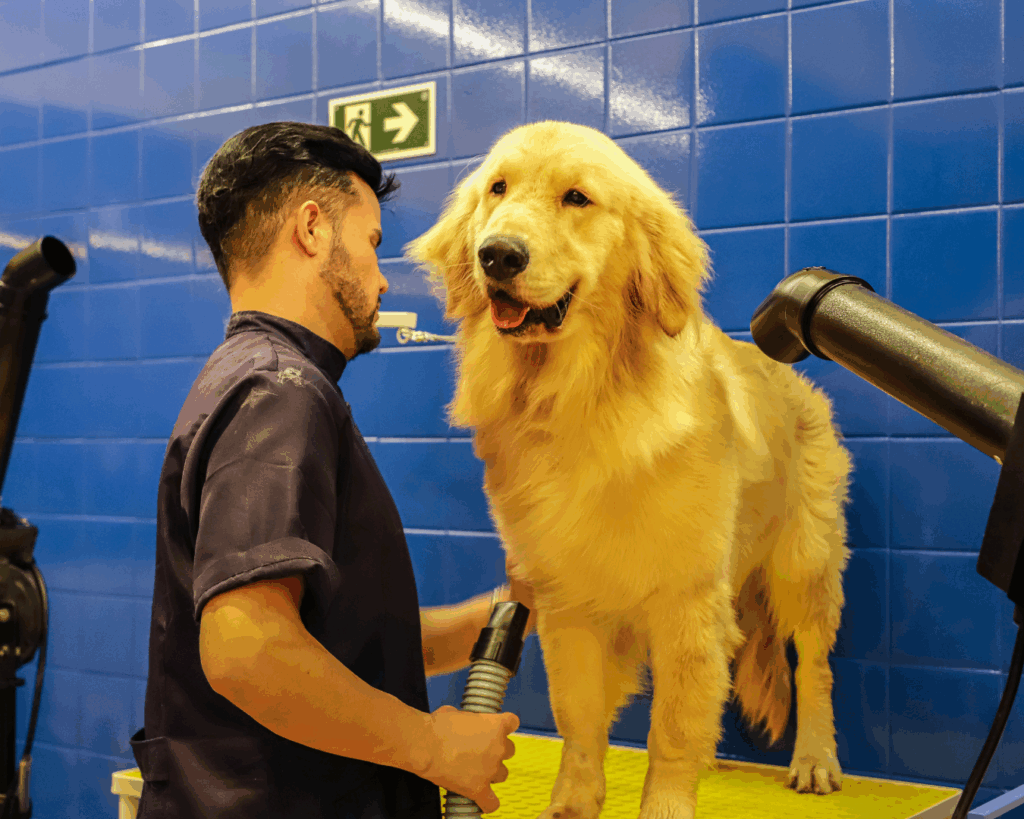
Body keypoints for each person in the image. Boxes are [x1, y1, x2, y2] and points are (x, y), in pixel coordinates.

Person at [128, 121, 538, 818]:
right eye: (372, 243)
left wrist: (511, 611)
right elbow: (247, 647)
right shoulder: (278, 389)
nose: (381, 277)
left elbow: (332, 644)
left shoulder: (255, 379)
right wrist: (432, 745)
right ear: (312, 229)